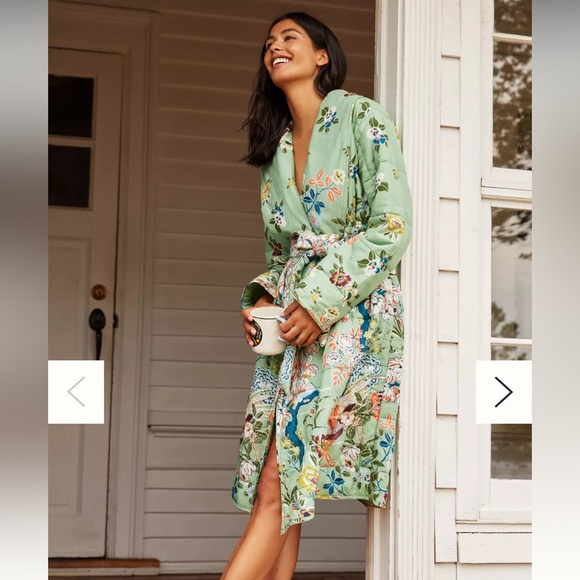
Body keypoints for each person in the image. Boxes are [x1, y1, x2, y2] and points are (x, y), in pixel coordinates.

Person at [221, 12, 413, 580]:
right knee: (278, 480)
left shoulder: (361, 117)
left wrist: (320, 303)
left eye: (289, 38)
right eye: (269, 43)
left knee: (278, 482)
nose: (275, 47)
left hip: (352, 315)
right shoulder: (276, 149)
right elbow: (280, 255)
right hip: (294, 322)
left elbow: (392, 226)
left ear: (322, 55)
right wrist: (263, 302)